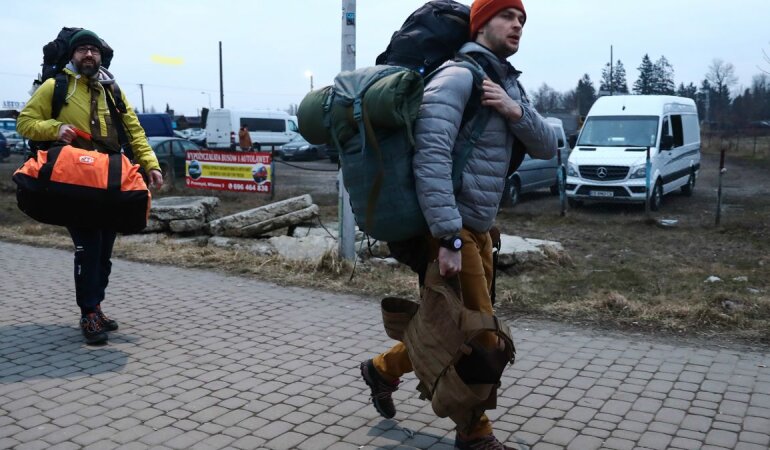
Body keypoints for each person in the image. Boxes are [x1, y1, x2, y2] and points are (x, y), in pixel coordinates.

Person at [359, 1, 557, 449]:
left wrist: (513, 110)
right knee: (478, 336)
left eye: (523, 19)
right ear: (483, 21)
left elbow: (547, 145)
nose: (518, 25)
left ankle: (382, 369)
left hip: (482, 229)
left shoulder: (506, 85)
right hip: (453, 230)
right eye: (508, 16)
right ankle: (474, 433)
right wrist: (447, 236)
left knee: (449, 325)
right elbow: (429, 160)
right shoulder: (457, 77)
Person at [17, 29, 163, 345]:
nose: (88, 54)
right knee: (89, 248)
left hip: (108, 180)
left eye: (93, 50)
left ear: (101, 56)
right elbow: (24, 122)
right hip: (73, 181)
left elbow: (134, 131)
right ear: (72, 55)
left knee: (104, 253)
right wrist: (56, 128)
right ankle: (88, 314)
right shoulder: (56, 87)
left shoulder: (112, 89)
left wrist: (150, 165)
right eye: (82, 49)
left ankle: (96, 306)